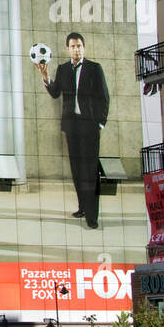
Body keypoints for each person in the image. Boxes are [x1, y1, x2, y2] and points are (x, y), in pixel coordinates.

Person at [38, 31, 110, 229]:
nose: (76, 49)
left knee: (90, 171)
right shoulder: (63, 69)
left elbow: (104, 97)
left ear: (83, 48)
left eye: (79, 46)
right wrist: (45, 77)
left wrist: (100, 123)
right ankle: (82, 207)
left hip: (90, 126)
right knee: (77, 170)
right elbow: (55, 94)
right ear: (68, 49)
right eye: (72, 46)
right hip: (72, 127)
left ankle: (92, 217)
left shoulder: (95, 69)